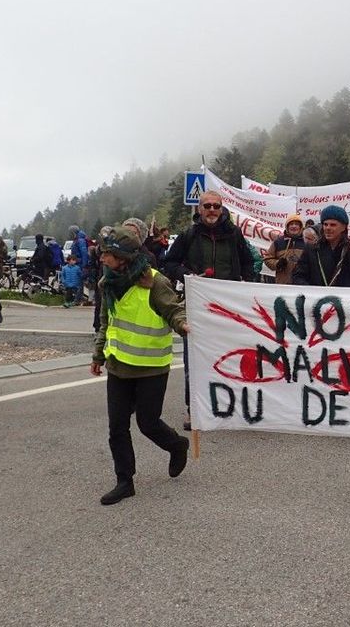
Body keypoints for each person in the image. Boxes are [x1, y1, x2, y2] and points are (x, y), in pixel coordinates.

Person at [90, 227, 190, 506]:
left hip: (151, 367)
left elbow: (173, 309)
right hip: (119, 365)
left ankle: (177, 445)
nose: (102, 259)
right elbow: (105, 322)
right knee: (117, 427)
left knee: (148, 423)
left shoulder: (155, 282)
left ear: (123, 257)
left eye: (107, 254)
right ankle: (125, 481)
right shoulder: (106, 283)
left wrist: (183, 325)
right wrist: (98, 356)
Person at [163, 190, 255, 430]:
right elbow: (170, 263)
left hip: (229, 307)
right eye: (207, 206)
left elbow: (248, 262)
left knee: (231, 355)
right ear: (199, 209)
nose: (212, 210)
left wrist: (248, 284)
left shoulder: (234, 234)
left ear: (222, 209)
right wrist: (187, 275)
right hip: (198, 306)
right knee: (194, 357)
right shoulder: (189, 235)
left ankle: (230, 405)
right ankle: (194, 409)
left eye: (216, 206)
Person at [292, 205, 350, 288]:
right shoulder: (312, 250)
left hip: (346, 301)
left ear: (344, 227)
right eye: (325, 224)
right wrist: (313, 293)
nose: (328, 228)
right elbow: (298, 276)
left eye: (333, 225)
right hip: (318, 301)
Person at [264, 214, 306, 285]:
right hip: (282, 284)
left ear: (300, 227)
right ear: (287, 226)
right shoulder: (278, 242)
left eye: (296, 224)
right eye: (291, 224)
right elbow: (267, 259)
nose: (294, 226)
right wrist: (277, 264)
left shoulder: (306, 242)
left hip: (302, 284)